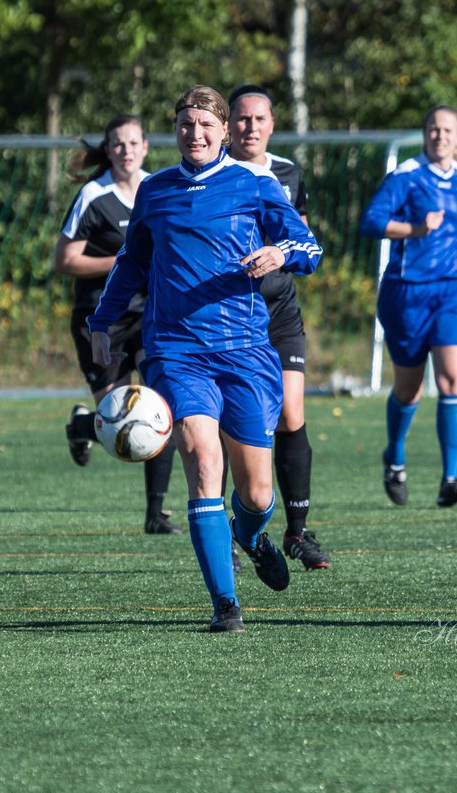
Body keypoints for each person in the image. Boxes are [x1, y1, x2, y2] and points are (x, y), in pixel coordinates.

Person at [88, 86, 322, 633]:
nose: (195, 134)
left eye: (205, 125)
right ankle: (225, 603)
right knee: (200, 457)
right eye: (186, 125)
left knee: (259, 492)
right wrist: (102, 322)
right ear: (176, 131)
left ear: (223, 133)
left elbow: (309, 246)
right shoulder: (155, 190)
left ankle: (250, 532)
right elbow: (130, 264)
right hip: (175, 350)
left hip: (244, 351)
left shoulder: (254, 185)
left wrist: (279, 252)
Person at [359, 105, 457, 507]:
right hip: (407, 293)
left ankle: (450, 478)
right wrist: (416, 229)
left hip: (455, 290)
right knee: (409, 389)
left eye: (447, 130)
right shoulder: (406, 176)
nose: (440, 136)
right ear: (425, 133)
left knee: (453, 381)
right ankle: (394, 457)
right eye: (433, 129)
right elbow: (370, 222)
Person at [56, 115, 180, 536]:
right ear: (108, 150)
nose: (126, 150)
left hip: (152, 314)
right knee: (115, 418)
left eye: (133, 142)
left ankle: (156, 514)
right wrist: (125, 263)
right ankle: (79, 426)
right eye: (117, 144)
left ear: (145, 146)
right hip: (102, 318)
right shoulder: (94, 195)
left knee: (159, 407)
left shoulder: (160, 188)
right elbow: (65, 260)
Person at [226, 83, 331, 571]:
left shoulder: (287, 172)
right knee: (238, 422)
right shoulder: (211, 173)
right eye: (242, 119)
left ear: (272, 125)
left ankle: (298, 531)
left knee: (291, 414)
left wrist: (281, 251)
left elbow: (301, 234)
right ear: (228, 125)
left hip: (279, 311)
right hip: (226, 313)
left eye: (259, 119)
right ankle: (238, 521)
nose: (251, 127)